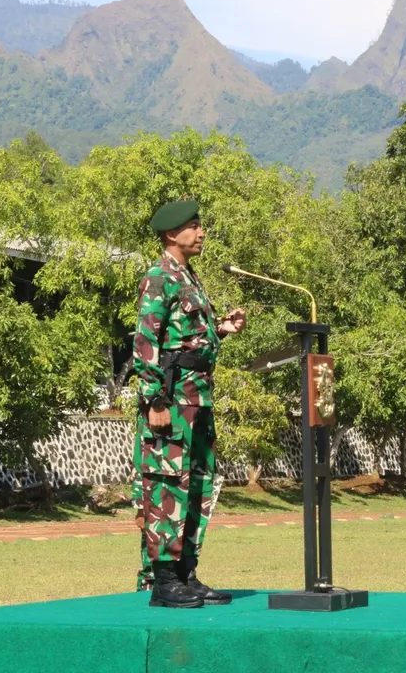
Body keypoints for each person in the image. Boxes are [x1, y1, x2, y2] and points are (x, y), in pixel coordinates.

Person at [131, 199, 246, 608]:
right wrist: (155, 400)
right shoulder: (159, 277)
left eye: (200, 225)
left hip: (198, 398)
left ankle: (186, 574)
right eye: (193, 227)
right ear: (170, 234)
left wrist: (221, 328)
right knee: (166, 486)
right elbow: (146, 344)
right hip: (173, 399)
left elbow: (186, 338)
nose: (201, 233)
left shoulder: (189, 277)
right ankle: (163, 581)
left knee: (197, 484)